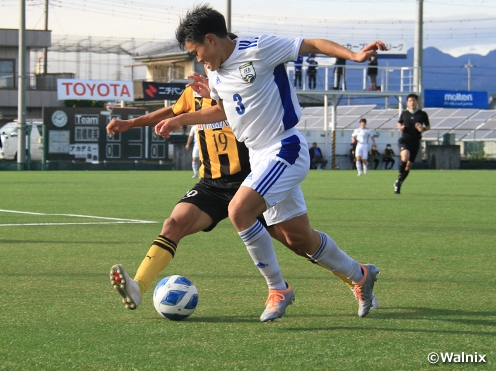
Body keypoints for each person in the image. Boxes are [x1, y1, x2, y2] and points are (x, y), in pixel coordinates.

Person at [156, 4, 381, 320]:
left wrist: (355, 56)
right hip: (259, 155)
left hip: (284, 147)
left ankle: (278, 289)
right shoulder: (214, 71)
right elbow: (224, 109)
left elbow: (312, 44)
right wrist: (183, 119)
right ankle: (360, 275)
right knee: (297, 237)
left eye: (196, 51)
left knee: (238, 210)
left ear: (210, 39)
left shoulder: (259, 49)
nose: (198, 60)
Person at [107, 84, 376, 319]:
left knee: (299, 242)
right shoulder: (194, 93)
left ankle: (356, 277)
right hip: (213, 184)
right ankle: (138, 287)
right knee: (173, 223)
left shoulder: (240, 89)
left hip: (254, 182)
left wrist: (200, 105)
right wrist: (131, 123)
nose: (206, 64)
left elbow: (220, 111)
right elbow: (172, 111)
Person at [394, 94, 429, 194]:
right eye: (410, 101)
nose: (412, 102)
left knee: (408, 165)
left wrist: (423, 129)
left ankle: (399, 182)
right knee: (405, 157)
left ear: (417, 102)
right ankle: (400, 178)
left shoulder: (422, 114)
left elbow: (428, 126)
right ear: (407, 102)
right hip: (404, 140)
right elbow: (399, 122)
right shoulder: (404, 113)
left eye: (413, 100)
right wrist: (400, 127)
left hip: (415, 141)